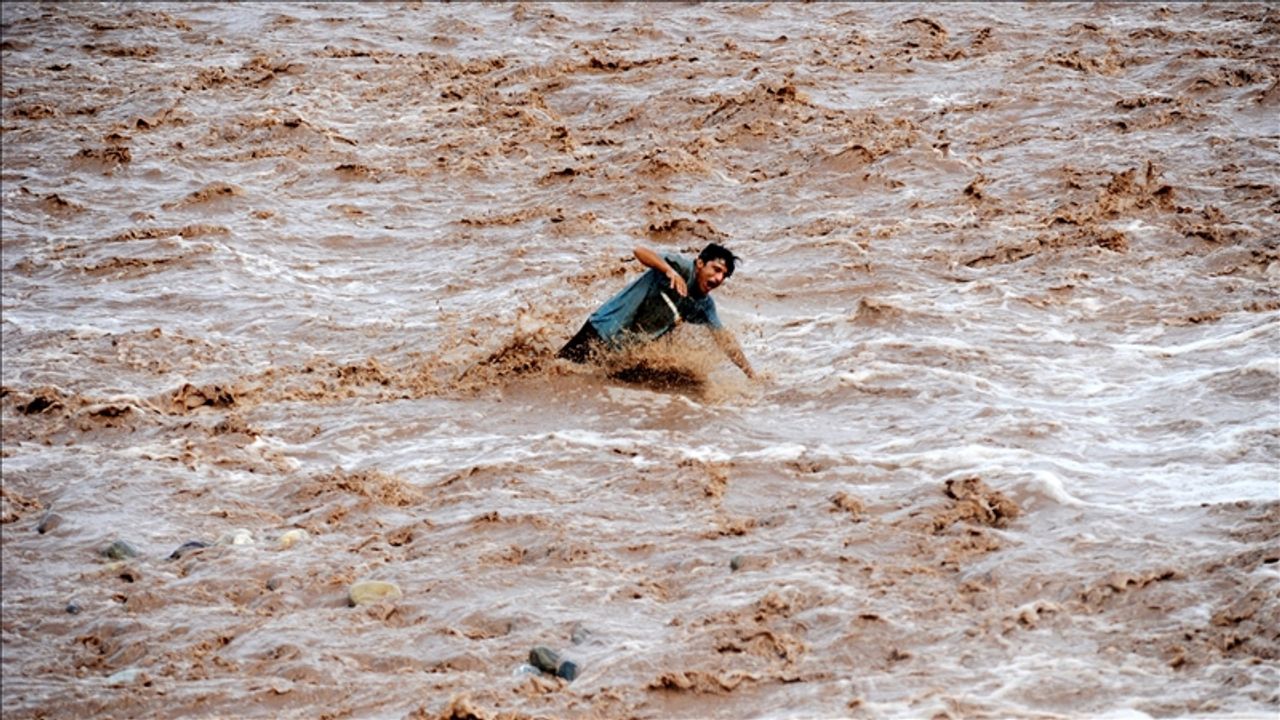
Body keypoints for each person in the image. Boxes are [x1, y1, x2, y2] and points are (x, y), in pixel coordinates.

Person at [558, 243, 756, 379]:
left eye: (724, 275)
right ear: (700, 263)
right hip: (601, 330)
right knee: (558, 371)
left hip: (620, 354)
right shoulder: (681, 267)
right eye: (716, 269)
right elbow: (639, 251)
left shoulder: (704, 305)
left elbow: (724, 340)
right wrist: (668, 270)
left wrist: (751, 374)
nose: (719, 278)